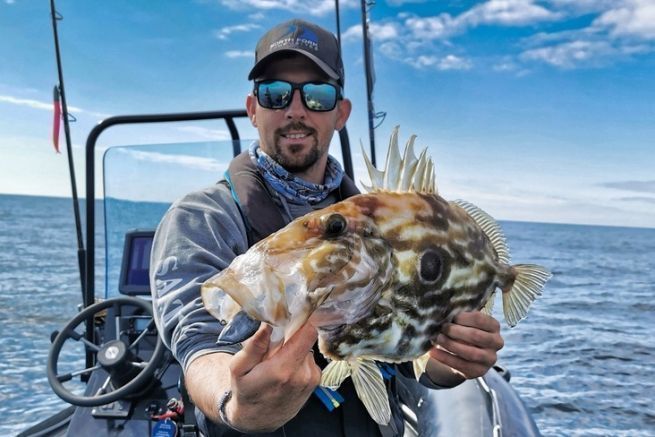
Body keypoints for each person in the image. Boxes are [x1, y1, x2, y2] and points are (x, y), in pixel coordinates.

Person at [150, 18, 504, 436]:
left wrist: (449, 363)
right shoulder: (203, 215)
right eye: (275, 93)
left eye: (317, 95)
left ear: (341, 113)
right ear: (252, 109)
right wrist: (234, 401)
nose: (295, 110)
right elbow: (199, 343)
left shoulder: (387, 224)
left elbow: (410, 354)